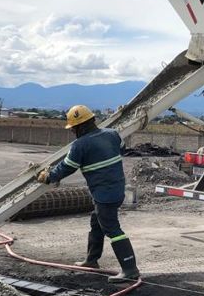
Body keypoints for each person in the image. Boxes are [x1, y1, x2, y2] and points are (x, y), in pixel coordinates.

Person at [37, 104, 141, 282]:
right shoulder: (112, 134)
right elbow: (122, 149)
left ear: (81, 126)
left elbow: (67, 167)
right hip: (116, 188)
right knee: (97, 222)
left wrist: (49, 177)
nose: (73, 131)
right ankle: (92, 260)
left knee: (113, 229)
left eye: (73, 128)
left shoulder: (80, 145)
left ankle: (130, 269)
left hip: (104, 194)